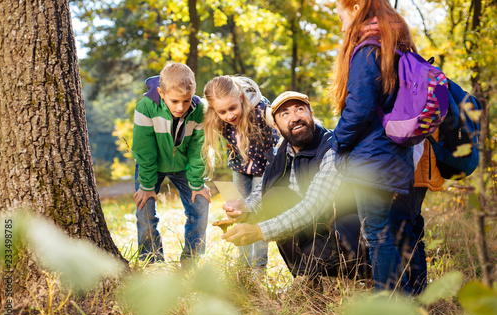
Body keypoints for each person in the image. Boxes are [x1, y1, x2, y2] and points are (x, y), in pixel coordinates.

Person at [221, 91, 366, 280]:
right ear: (276, 126)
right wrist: (245, 209)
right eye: (285, 114)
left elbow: (313, 207)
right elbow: (262, 190)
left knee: (344, 227)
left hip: (342, 234)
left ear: (311, 114)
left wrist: (259, 231)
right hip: (313, 234)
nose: (295, 118)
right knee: (275, 196)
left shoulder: (332, 148)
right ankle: (307, 279)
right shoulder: (281, 151)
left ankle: (327, 279)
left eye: (300, 109)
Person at [329, 0, 416, 291]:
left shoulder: (368, 49)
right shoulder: (397, 46)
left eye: (340, 13)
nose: (340, 22)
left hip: (372, 158)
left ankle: (389, 304)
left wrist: (337, 140)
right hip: (396, 156)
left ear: (355, 8)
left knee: (377, 232)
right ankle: (406, 297)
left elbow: (360, 108)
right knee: (391, 230)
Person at [132, 62, 211, 267]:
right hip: (152, 166)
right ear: (161, 92)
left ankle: (191, 262)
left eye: (186, 101)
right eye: (174, 100)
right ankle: (152, 261)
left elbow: (198, 149)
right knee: (145, 211)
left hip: (184, 166)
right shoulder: (146, 107)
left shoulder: (200, 109)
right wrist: (147, 187)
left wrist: (196, 182)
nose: (180, 107)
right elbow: (145, 150)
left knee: (200, 205)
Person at [202, 76, 279, 269]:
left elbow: (282, 122)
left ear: (242, 98)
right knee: (238, 214)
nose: (229, 115)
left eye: (232, 108)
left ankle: (258, 269)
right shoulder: (216, 117)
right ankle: (243, 267)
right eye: (222, 111)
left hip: (264, 168)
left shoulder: (261, 110)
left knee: (258, 214)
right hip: (239, 167)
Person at [390, 133, 444, 295]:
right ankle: (420, 292)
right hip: (417, 168)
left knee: (403, 231)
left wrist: (398, 174)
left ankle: (414, 293)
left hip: (412, 169)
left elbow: (413, 135)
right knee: (412, 230)